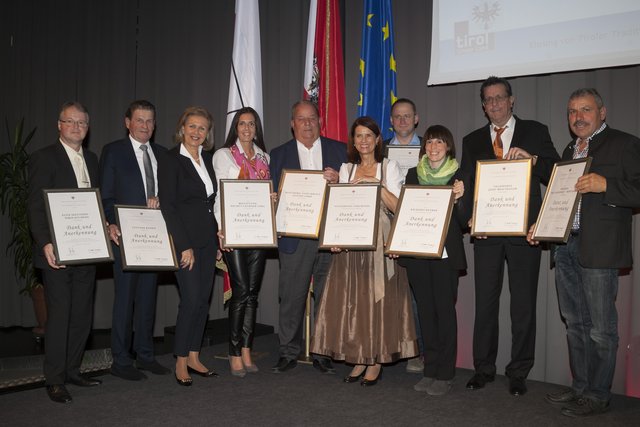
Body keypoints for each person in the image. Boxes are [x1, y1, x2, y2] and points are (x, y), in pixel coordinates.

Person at [528, 88, 640, 417]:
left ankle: (598, 394)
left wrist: (607, 185)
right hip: (566, 245)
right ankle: (580, 387)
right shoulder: (569, 149)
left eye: (586, 109)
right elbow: (562, 200)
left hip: (600, 248)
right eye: (572, 111)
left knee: (601, 328)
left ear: (602, 113)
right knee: (575, 323)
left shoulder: (625, 143)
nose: (578, 117)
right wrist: (542, 226)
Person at [460, 76, 560, 396]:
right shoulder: (472, 139)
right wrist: (467, 216)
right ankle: (483, 368)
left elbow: (555, 170)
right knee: (485, 303)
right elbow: (466, 184)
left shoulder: (535, 131)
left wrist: (533, 159)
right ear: (483, 105)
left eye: (500, 98)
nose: (494, 104)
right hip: (487, 232)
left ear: (512, 100)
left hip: (524, 232)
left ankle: (518, 371)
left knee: (523, 305)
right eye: (488, 100)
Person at [310, 116, 418, 386]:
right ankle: (360, 356)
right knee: (355, 303)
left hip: (378, 246)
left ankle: (377, 359)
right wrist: (333, 238)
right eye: (359, 136)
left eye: (369, 135)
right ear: (353, 141)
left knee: (377, 303)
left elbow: (397, 207)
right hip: (350, 246)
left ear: (378, 139)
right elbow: (338, 208)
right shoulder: (345, 170)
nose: (364, 141)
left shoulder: (389, 167)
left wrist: (378, 186)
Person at [27, 101, 102, 403]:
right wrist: (45, 242)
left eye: (81, 123)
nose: (76, 127)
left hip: (88, 248)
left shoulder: (93, 160)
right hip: (56, 252)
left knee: (82, 315)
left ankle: (73, 369)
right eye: (69, 122)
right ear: (59, 125)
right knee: (59, 316)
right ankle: (54, 378)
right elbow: (34, 205)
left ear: (87, 127)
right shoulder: (43, 158)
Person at [269, 100, 347, 374]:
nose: (307, 124)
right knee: (291, 296)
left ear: (319, 121)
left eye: (312, 118)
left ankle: (322, 351)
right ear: (292, 124)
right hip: (295, 236)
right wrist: (273, 199)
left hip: (330, 236)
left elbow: (352, 192)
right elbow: (270, 196)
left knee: (327, 297)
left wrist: (340, 181)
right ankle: (288, 351)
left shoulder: (339, 150)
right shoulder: (277, 155)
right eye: (301, 119)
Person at [100, 100, 170, 381]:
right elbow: (105, 194)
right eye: (139, 120)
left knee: (147, 299)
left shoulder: (163, 154)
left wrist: (163, 201)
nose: (145, 126)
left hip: (154, 238)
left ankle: (145, 355)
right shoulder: (113, 152)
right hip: (125, 237)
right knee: (125, 299)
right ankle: (120, 359)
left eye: (150, 121)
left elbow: (170, 193)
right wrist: (110, 222)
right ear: (127, 122)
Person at [401, 125, 468, 395]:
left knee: (444, 313)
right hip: (418, 253)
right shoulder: (412, 174)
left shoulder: (459, 176)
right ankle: (430, 369)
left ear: (448, 146)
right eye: (429, 142)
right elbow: (405, 213)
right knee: (426, 313)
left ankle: (446, 373)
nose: (434, 146)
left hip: (445, 255)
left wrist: (461, 200)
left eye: (439, 141)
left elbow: (464, 222)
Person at [158, 106, 219, 386]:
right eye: (192, 126)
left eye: (202, 128)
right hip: (186, 243)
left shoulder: (207, 159)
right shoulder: (171, 160)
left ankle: (194, 356)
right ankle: (180, 360)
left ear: (208, 133)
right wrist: (183, 245)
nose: (196, 132)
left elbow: (210, 203)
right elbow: (168, 206)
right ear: (182, 128)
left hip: (208, 241)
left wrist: (217, 237)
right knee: (191, 299)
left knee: (203, 301)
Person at [213, 107, 270, 377]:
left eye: (251, 124)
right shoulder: (223, 155)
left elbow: (265, 193)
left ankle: (247, 348)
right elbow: (222, 194)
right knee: (241, 290)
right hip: (234, 230)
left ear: (256, 128)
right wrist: (221, 229)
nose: (246, 129)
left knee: (253, 293)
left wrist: (272, 198)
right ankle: (233, 351)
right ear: (235, 128)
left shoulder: (264, 156)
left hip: (258, 231)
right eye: (241, 124)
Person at [385, 97, 425, 374]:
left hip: (417, 226)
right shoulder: (380, 152)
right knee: (387, 291)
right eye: (397, 116)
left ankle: (417, 352)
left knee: (417, 294)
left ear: (416, 119)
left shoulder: (430, 149)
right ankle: (387, 348)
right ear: (391, 121)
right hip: (385, 225)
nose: (402, 121)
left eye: (407, 116)